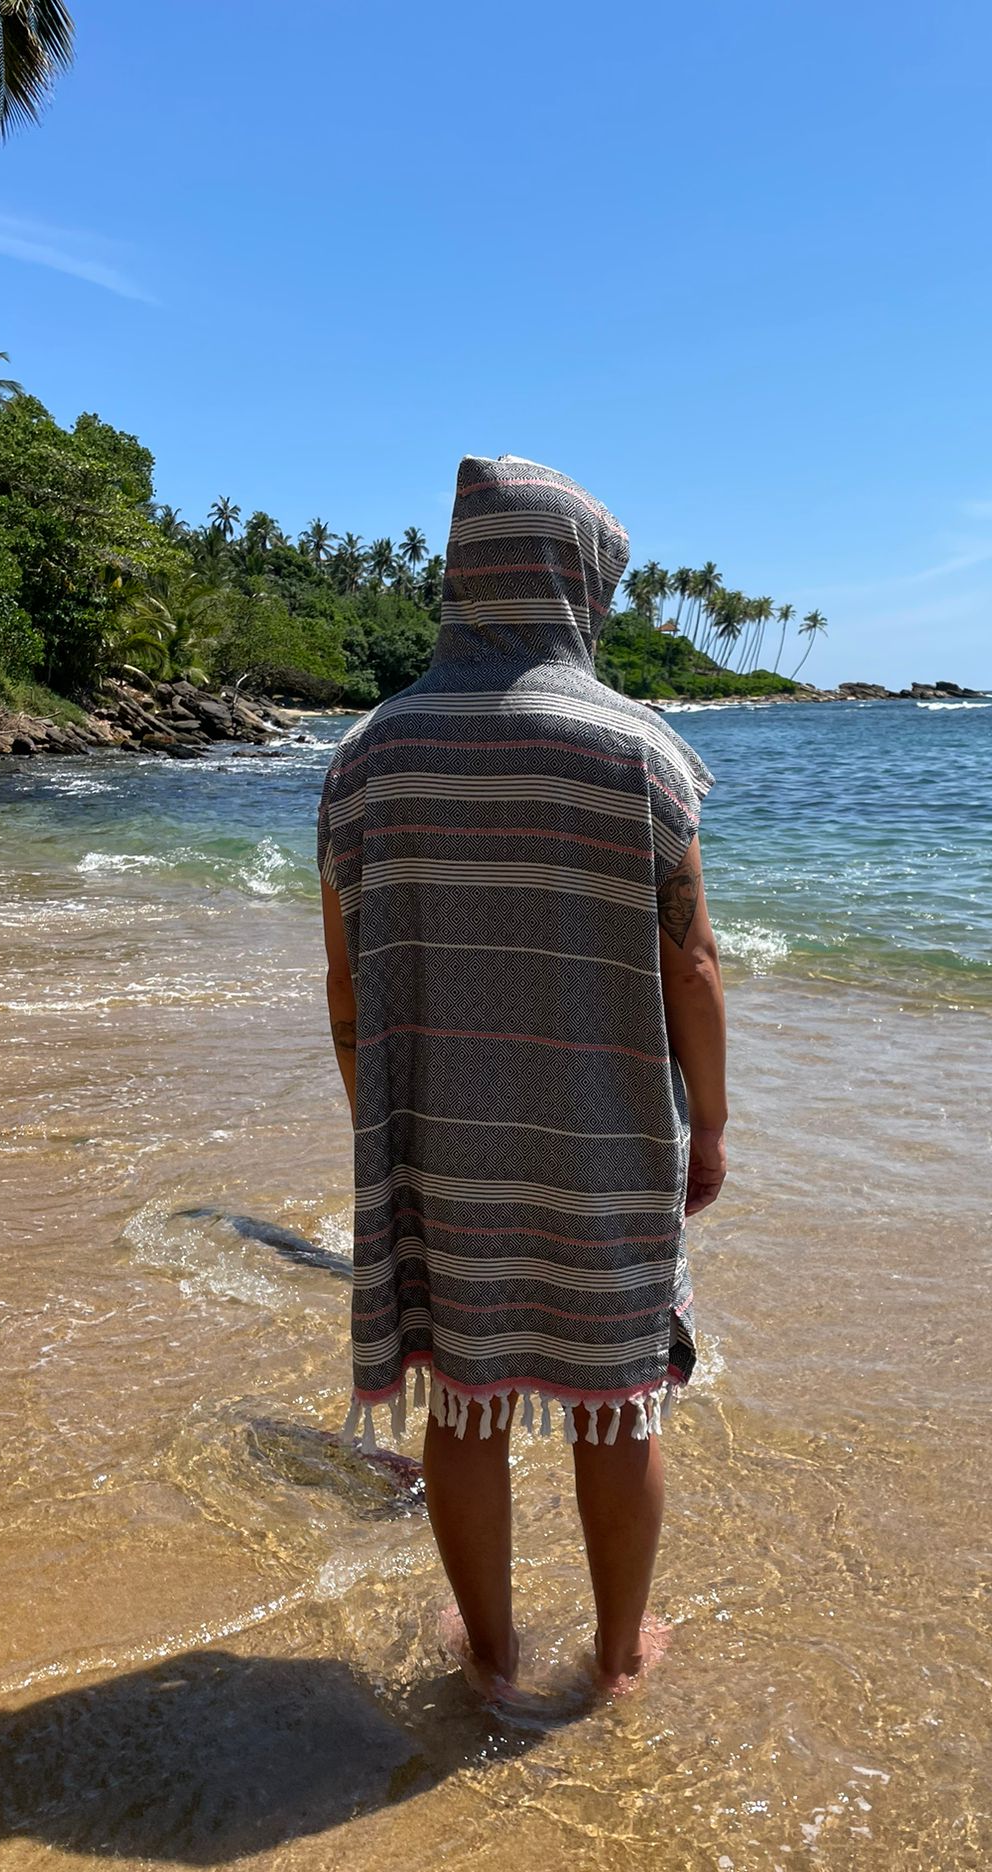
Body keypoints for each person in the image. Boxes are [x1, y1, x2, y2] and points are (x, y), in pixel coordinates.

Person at [316, 454, 726, 1698]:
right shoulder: (640, 753)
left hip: (439, 1137)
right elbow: (692, 963)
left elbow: (348, 986)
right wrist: (710, 1124)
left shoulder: (367, 756)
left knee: (466, 1398)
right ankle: (617, 1656)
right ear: (571, 584)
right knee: (619, 1396)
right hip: (603, 1139)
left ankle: (490, 1656)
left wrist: (385, 1127)